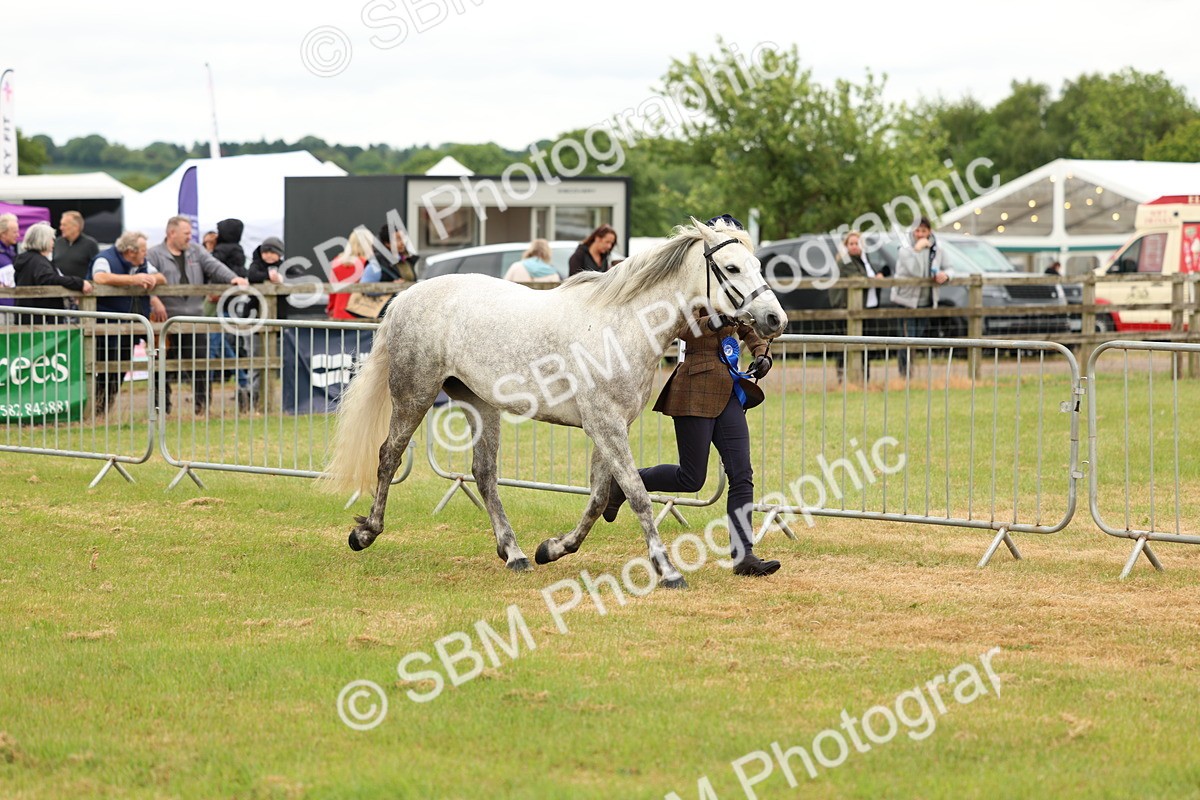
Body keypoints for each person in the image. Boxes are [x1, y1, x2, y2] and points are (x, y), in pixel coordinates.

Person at [603, 216, 781, 577]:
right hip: (694, 387)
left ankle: (743, 555)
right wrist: (717, 319)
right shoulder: (693, 284)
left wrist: (762, 353)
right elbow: (680, 328)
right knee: (691, 478)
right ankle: (622, 483)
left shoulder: (735, 285)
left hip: (729, 390)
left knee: (742, 474)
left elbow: (749, 327)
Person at [146, 215, 248, 414]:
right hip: (163, 320)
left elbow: (214, 266)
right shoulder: (154, 254)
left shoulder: (196, 251)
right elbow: (143, 276)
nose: (189, 237)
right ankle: (161, 408)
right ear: (171, 233)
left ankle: (202, 408)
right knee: (160, 364)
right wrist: (154, 300)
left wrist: (234, 278)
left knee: (200, 364)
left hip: (194, 317)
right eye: (186, 233)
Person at [88, 231, 167, 413]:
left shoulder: (142, 264)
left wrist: (152, 279)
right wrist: (134, 280)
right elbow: (99, 277)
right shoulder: (104, 259)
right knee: (102, 367)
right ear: (131, 251)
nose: (145, 254)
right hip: (104, 326)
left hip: (130, 327)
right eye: (143, 251)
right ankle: (96, 409)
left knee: (121, 368)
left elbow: (161, 276)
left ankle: (104, 408)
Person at [891, 218, 949, 377]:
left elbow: (949, 266)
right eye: (917, 231)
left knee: (917, 339)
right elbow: (915, 271)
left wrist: (946, 274)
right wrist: (916, 250)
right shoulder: (904, 249)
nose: (920, 234)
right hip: (906, 302)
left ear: (929, 231)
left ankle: (911, 374)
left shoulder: (937, 249)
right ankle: (905, 376)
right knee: (906, 340)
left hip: (926, 301)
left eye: (924, 231)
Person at [831, 230, 888, 382]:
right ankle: (842, 378)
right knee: (845, 345)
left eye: (857, 243)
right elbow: (860, 278)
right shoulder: (846, 261)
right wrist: (875, 278)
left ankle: (864, 378)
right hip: (847, 309)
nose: (855, 246)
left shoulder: (862, 258)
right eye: (851, 244)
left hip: (865, 309)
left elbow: (869, 274)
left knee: (865, 344)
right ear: (846, 246)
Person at [13, 222, 93, 323]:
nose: (53, 243)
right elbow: (49, 279)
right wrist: (79, 283)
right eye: (51, 239)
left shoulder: (27, 260)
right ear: (43, 240)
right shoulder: (38, 261)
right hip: (39, 320)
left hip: (27, 318)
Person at [326, 227, 375, 320]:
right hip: (361, 313)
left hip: (338, 312)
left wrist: (331, 308)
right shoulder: (368, 264)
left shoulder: (337, 262)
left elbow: (332, 290)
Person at [52, 211, 100, 281]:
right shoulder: (57, 242)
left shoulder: (90, 244)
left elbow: (96, 268)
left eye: (64, 225)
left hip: (82, 289)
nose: (60, 228)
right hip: (58, 288)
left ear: (76, 227)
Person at [0, 213, 19, 308]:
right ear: (3, 233)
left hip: (11, 303)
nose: (18, 235)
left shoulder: (11, 251)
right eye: (14, 232)